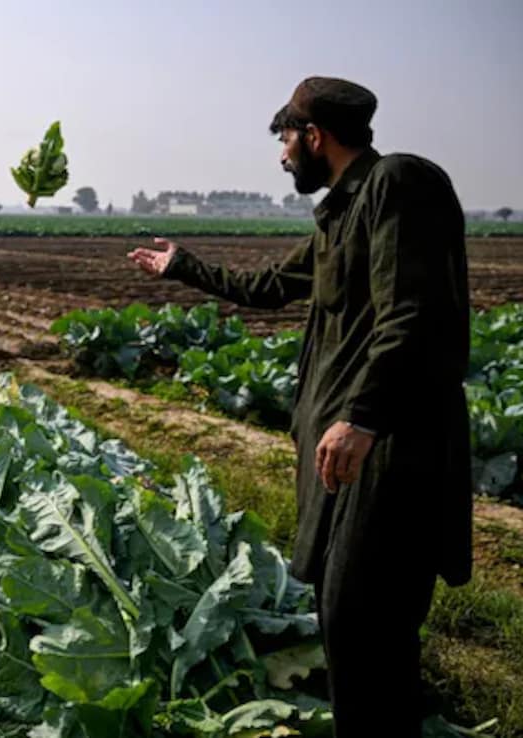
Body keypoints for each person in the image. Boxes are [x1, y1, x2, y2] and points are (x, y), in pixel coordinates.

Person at [128, 77, 471, 737]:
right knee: (354, 627)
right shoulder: (341, 214)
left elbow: (410, 314)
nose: (282, 154)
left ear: (314, 135)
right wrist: (183, 266)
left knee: (362, 620)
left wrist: (363, 416)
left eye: (285, 137)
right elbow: (266, 289)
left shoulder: (397, 183)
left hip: (390, 448)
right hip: (353, 454)